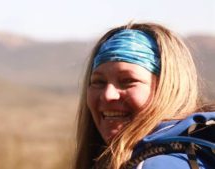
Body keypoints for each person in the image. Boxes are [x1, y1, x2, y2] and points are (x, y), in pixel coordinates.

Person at [73, 22, 215, 169]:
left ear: (169, 88)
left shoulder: (159, 165)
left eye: (128, 81)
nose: (108, 95)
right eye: (98, 82)